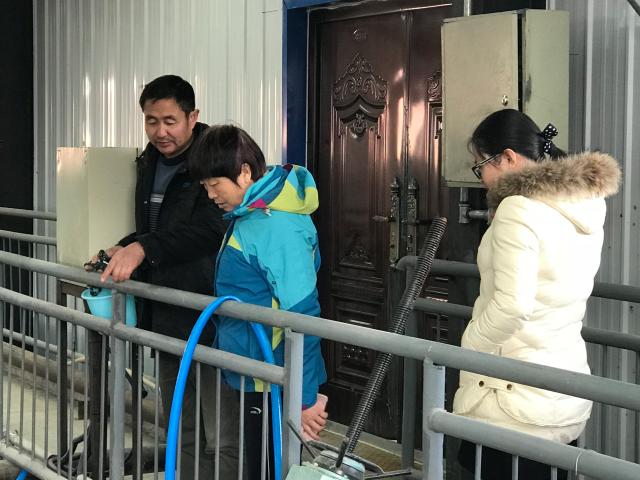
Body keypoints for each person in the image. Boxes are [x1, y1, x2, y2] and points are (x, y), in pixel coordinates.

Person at [453, 109, 620, 480]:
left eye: (481, 166)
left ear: (508, 157)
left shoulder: (518, 208)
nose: (482, 180)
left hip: (510, 401)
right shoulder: (585, 204)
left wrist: (468, 345)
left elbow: (512, 306)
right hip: (560, 389)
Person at [91, 75, 239, 478]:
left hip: (211, 314)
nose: (160, 132)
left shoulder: (215, 159)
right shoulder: (150, 161)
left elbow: (212, 228)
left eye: (170, 121)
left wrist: (144, 248)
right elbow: (157, 228)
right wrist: (125, 246)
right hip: (168, 311)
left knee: (223, 435)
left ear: (193, 116)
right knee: (180, 424)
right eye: (151, 121)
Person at [189, 124, 328, 479]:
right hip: (260, 370)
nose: (210, 195)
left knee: (269, 468)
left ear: (244, 173)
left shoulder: (274, 225)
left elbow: (303, 314)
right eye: (205, 186)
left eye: (215, 184)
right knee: (262, 464)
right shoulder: (253, 214)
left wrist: (304, 398)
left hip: (275, 375)